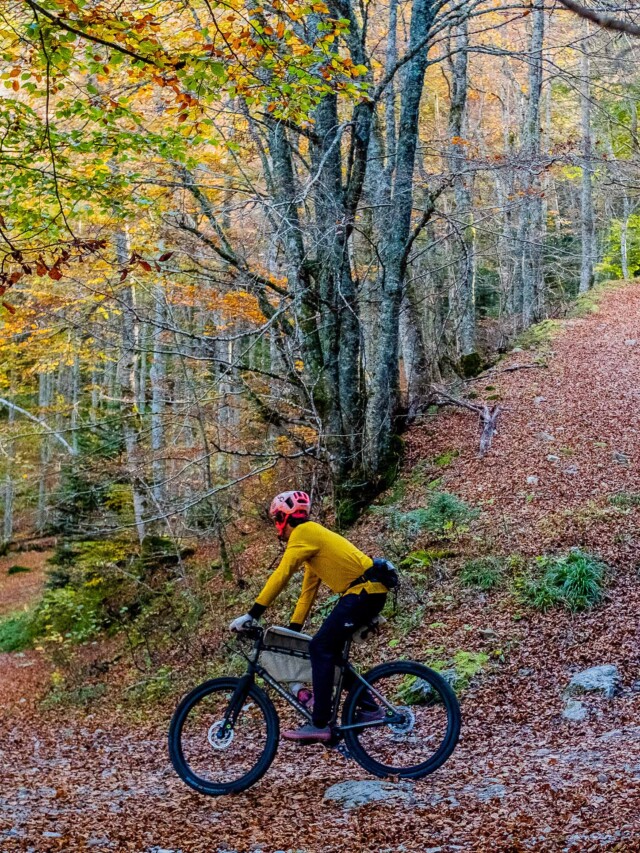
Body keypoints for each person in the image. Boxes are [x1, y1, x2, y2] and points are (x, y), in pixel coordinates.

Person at [229, 490, 389, 743]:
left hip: (363, 592)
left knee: (320, 647)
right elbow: (308, 592)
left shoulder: (303, 533)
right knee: (329, 653)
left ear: (283, 518)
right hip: (366, 592)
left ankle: (320, 723)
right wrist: (293, 630)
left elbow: (282, 574)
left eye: (276, 519)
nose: (277, 526)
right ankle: (368, 707)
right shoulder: (312, 539)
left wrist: (253, 613)